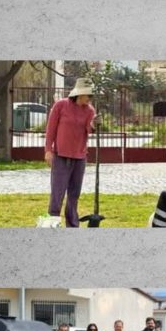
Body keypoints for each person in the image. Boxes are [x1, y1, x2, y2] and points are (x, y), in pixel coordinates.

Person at [43, 77, 96, 228]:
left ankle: (72, 224)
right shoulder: (61, 105)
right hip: (61, 156)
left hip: (79, 157)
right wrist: (48, 150)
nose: (89, 98)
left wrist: (93, 124)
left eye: (91, 95)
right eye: (88, 95)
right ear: (79, 94)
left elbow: (89, 129)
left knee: (74, 194)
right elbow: (51, 129)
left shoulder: (90, 110)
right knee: (57, 193)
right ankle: (53, 222)